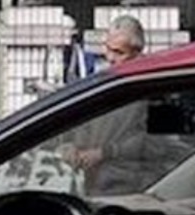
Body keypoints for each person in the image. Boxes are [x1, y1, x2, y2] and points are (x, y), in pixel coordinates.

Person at [59, 15, 149, 195]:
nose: (110, 58)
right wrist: (71, 147)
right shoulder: (105, 84)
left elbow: (152, 142)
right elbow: (84, 126)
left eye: (119, 52)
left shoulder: (150, 89)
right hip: (93, 184)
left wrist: (104, 153)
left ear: (137, 53)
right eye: (108, 49)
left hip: (127, 188)